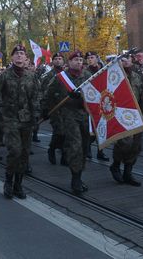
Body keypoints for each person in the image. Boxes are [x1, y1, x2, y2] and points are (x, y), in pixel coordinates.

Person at [0, 44, 39, 199]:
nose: (19, 56)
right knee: (14, 151)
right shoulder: (3, 76)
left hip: (26, 120)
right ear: (12, 57)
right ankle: (8, 181)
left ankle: (18, 185)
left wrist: (37, 115)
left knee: (24, 154)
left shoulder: (31, 76)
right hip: (9, 119)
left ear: (26, 58)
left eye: (22, 53)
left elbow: (35, 97)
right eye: (17, 54)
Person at [45, 51, 91, 194]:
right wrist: (50, 110)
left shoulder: (88, 76)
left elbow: (95, 94)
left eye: (80, 60)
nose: (79, 62)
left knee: (84, 146)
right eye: (75, 59)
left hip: (84, 115)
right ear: (69, 62)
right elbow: (48, 94)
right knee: (75, 146)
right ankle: (75, 178)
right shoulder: (61, 78)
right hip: (68, 116)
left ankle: (79, 174)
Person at [110, 54, 143, 186]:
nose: (125, 62)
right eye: (122, 60)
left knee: (135, 145)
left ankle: (128, 172)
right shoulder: (114, 77)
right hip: (120, 115)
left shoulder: (137, 77)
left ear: (132, 61)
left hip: (136, 115)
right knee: (124, 143)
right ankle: (115, 165)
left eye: (128, 59)